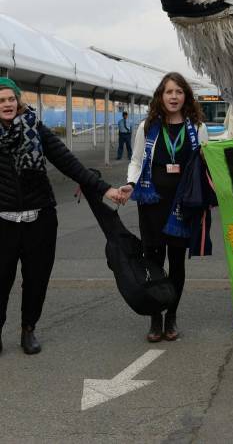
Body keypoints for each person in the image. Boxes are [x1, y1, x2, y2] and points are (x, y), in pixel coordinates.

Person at [0, 77, 124, 355]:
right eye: (1, 100)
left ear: (18, 101)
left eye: (10, 99)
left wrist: (106, 189)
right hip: (3, 222)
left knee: (36, 279)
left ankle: (28, 329)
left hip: (40, 219)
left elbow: (68, 162)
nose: (7, 104)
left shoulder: (35, 128)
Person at [122, 72, 209, 343]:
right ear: (161, 96)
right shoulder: (147, 127)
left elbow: (207, 163)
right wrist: (130, 183)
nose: (174, 97)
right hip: (152, 204)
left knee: (177, 263)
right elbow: (136, 160)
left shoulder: (197, 127)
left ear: (186, 97)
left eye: (179, 92)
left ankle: (171, 315)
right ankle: (155, 317)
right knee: (154, 262)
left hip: (183, 204)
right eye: (169, 92)